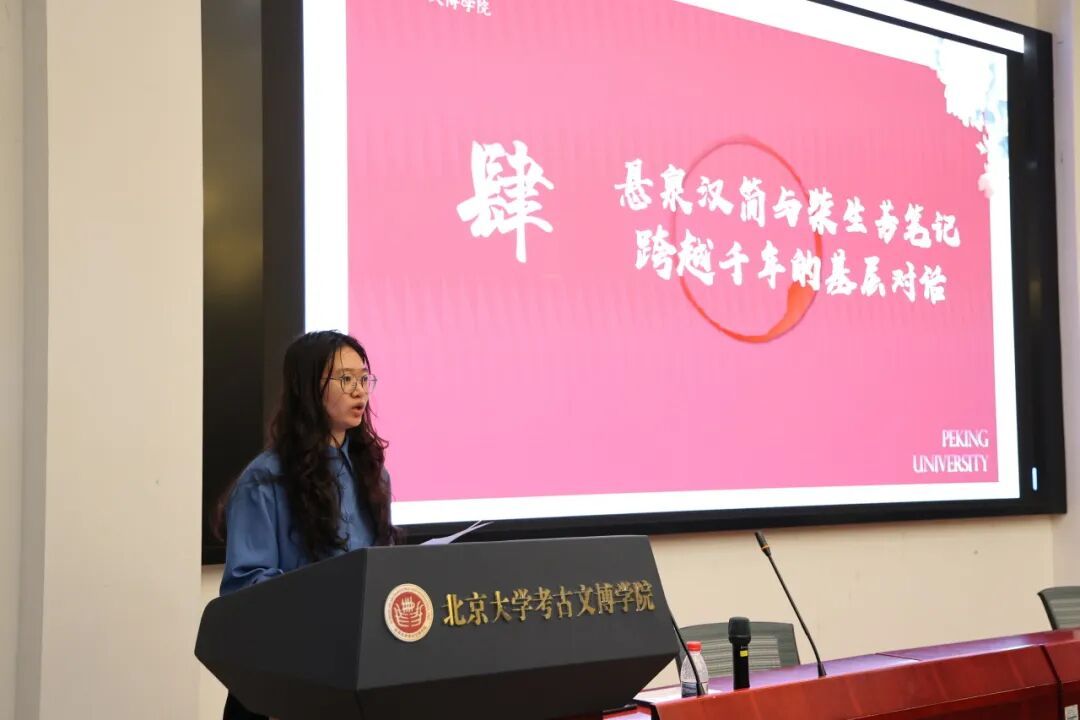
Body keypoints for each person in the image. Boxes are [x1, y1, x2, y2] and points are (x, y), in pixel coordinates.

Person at [216, 330, 400, 720]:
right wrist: (325, 593)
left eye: (364, 378)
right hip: (286, 678)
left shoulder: (373, 475)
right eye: (345, 379)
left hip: (354, 671)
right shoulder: (265, 480)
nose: (359, 390)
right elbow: (244, 589)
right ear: (308, 389)